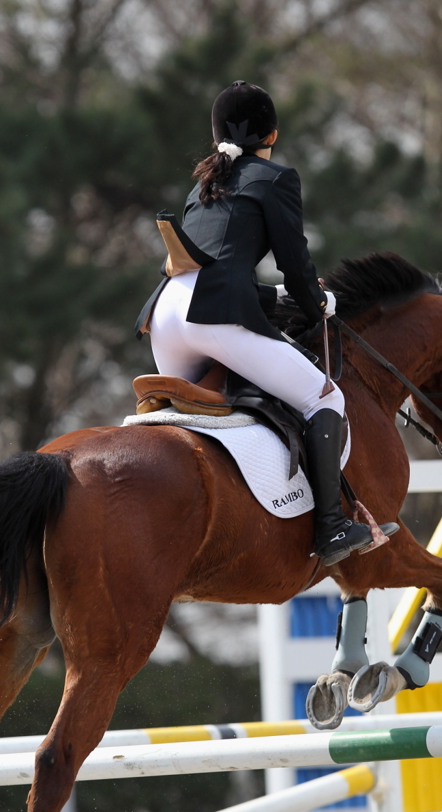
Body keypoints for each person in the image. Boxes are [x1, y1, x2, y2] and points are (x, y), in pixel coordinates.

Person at [135, 80, 390, 567]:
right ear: (272, 133)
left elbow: (220, 271)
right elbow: (296, 266)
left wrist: (273, 299)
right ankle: (332, 527)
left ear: (216, 138)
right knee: (324, 397)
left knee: (223, 403)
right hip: (214, 317)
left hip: (166, 315)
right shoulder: (275, 178)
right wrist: (317, 306)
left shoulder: (201, 185)